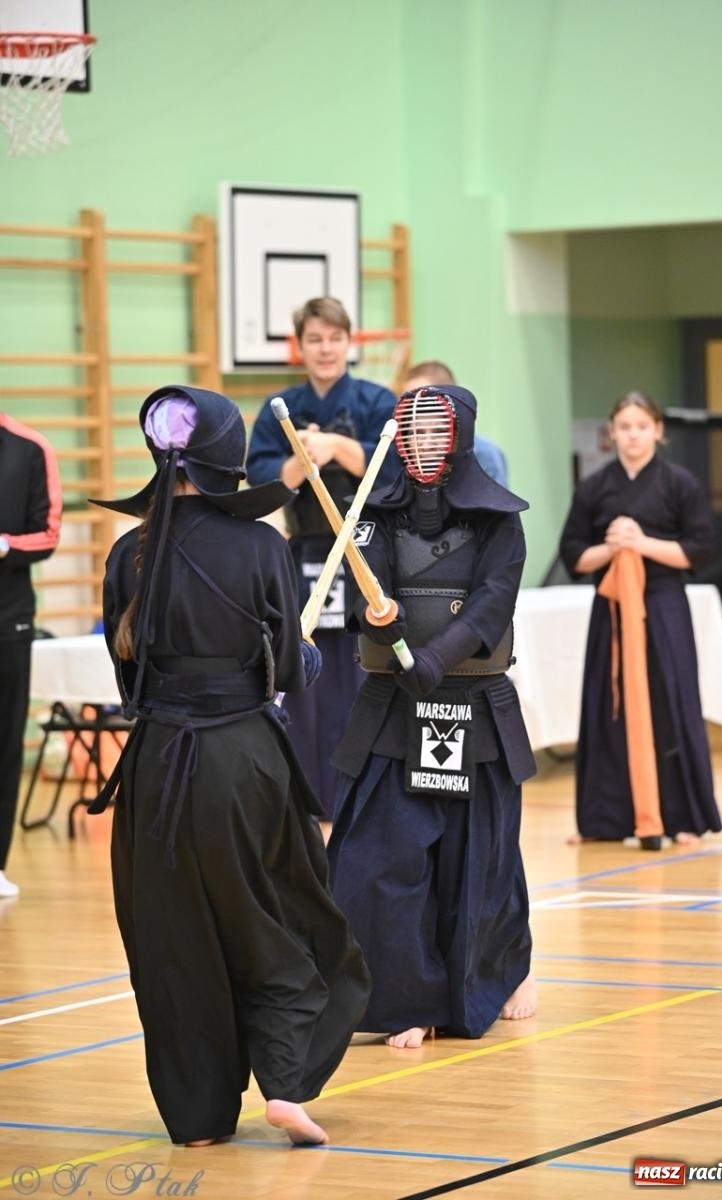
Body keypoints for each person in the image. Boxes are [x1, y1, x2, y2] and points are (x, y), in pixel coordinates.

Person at [89, 385, 370, 1147]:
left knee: (173, 940)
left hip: (153, 770)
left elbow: (129, 683)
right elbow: (288, 672)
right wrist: (303, 657)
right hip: (241, 765)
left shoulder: (126, 554)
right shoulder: (260, 547)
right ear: (227, 457)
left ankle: (199, 1118)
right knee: (277, 918)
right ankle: (286, 1083)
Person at [327, 383, 537, 1048]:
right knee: (375, 861)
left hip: (472, 707)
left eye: (435, 432)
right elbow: (366, 587)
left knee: (477, 863)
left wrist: (437, 658)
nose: (422, 444)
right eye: (412, 432)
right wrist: (381, 621)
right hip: (392, 707)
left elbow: (492, 602)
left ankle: (498, 975)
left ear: (460, 439)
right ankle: (406, 999)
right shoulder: (372, 514)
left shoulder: (500, 520)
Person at [246, 298, 399, 820]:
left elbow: (393, 470)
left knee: (362, 668)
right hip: (303, 553)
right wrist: (302, 459)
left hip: (364, 553)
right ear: (300, 347)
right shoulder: (280, 408)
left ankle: (364, 796)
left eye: (335, 338)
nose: (326, 349)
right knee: (303, 671)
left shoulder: (377, 400)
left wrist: (336, 445)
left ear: (349, 342)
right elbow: (261, 481)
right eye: (314, 339)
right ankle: (306, 797)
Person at [558, 390, 722, 850]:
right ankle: (604, 818)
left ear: (658, 431)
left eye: (642, 426)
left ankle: (680, 817)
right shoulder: (594, 488)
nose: (633, 435)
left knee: (671, 703)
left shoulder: (679, 483)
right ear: (612, 432)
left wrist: (641, 543)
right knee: (607, 705)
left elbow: (700, 551)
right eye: (624, 427)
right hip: (611, 609)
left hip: (663, 606)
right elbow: (575, 556)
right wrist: (611, 548)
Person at [0, 413, 62, 899]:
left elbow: (48, 532)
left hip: (8, 621)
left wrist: (4, 545)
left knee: (4, 745)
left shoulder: (29, 447)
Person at [403, 360, 510, 486]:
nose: (413, 409)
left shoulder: (484, 454)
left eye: (423, 401)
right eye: (408, 402)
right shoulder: (405, 452)